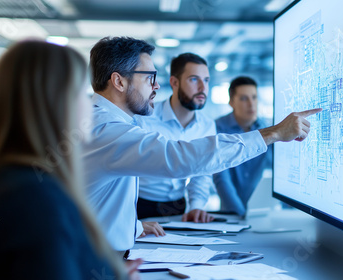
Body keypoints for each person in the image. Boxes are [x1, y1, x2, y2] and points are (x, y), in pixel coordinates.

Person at [83, 36, 321, 252]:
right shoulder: (108, 129)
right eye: (149, 78)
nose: (156, 86)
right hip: (98, 258)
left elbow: (101, 201)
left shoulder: (103, 122)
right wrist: (274, 133)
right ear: (119, 81)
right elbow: (179, 158)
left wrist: (131, 227)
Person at [0, 41, 139, 279]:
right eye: (80, 94)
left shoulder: (5, 178)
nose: (89, 104)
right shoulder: (37, 198)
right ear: (53, 104)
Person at [134, 53, 216, 223]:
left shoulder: (207, 126)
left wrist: (197, 206)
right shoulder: (145, 118)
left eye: (206, 80)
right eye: (194, 79)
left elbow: (202, 172)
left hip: (178, 206)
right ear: (174, 82)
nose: (203, 87)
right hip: (138, 205)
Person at [213, 76, 273, 216]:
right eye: (244, 98)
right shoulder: (218, 128)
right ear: (231, 102)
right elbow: (221, 178)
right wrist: (240, 214)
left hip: (260, 212)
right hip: (231, 213)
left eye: (254, 97)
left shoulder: (268, 130)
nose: (251, 104)